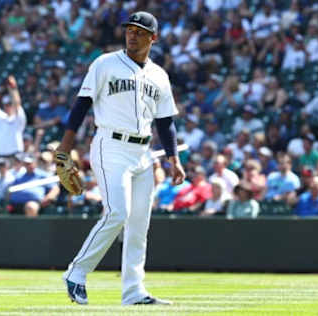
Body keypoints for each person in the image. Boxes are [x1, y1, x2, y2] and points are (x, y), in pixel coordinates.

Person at [57, 12, 185, 305]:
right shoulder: (105, 64)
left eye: (140, 31)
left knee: (139, 223)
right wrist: (64, 149)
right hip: (110, 145)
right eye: (129, 30)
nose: (132, 35)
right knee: (117, 212)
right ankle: (76, 273)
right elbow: (81, 106)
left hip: (143, 153)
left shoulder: (159, 75)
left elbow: (165, 122)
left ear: (153, 38)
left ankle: (134, 291)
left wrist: (174, 158)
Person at [0, 74, 26, 157]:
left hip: (15, 155)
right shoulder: (1, 116)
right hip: (0, 155)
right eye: (6, 104)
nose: (8, 106)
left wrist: (13, 88)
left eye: (10, 104)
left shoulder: (18, 118)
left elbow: (17, 103)